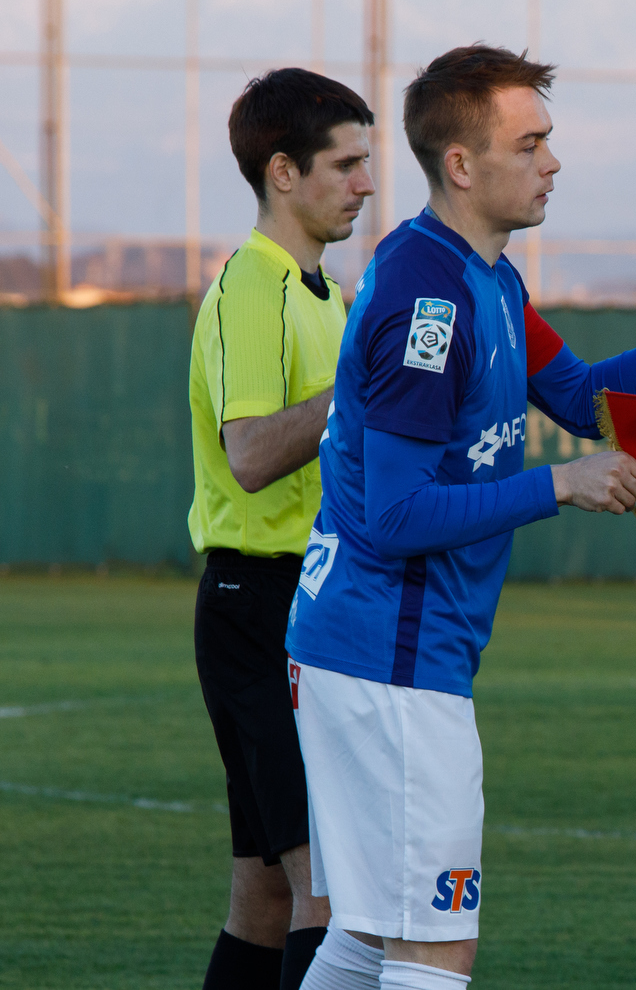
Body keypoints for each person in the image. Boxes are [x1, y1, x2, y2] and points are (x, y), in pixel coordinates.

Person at [285, 45, 636, 990]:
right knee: (435, 946)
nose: (554, 161)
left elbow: (589, 395)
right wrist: (561, 485)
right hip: (389, 658)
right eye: (532, 142)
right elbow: (392, 515)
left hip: (369, 653)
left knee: (369, 936)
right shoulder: (430, 302)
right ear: (462, 165)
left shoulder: (486, 276)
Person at [188, 68, 374, 990]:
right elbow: (252, 452)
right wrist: (361, 396)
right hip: (256, 604)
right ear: (283, 173)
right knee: (325, 893)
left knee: (266, 897)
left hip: (318, 601)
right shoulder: (249, 288)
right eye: (346, 164)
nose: (367, 183)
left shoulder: (331, 296)